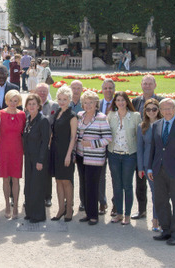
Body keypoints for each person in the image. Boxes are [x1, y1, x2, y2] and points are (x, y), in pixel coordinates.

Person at [148, 98, 175, 246]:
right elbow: (153, 149)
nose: (167, 111)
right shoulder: (156, 125)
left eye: (170, 108)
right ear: (160, 111)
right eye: (164, 109)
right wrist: (150, 167)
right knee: (161, 201)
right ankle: (166, 230)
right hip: (158, 170)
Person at [76, 91, 112, 225]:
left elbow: (108, 138)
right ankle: (87, 212)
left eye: (91, 102)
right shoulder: (80, 116)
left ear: (96, 104)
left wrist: (92, 144)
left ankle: (94, 215)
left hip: (95, 158)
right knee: (84, 185)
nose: (88, 105)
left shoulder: (101, 118)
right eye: (85, 102)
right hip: (81, 156)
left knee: (92, 186)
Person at [131, 74, 164, 220]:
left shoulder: (162, 101)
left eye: (150, 84)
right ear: (141, 85)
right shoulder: (136, 101)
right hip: (141, 147)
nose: (147, 86)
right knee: (140, 183)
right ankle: (142, 210)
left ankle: (158, 216)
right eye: (145, 83)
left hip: (157, 154)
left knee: (158, 187)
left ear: (155, 85)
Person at [107, 92, 141, 225]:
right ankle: (119, 213)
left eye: (123, 100)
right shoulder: (111, 116)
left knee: (127, 185)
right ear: (115, 102)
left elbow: (139, 137)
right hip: (114, 154)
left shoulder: (135, 116)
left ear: (127, 102)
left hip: (129, 155)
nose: (120, 103)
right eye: (118, 100)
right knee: (116, 185)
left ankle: (127, 214)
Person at [50, 86, 78, 222]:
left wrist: (69, 155)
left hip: (66, 151)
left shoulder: (72, 116)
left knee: (66, 181)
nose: (62, 102)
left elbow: (73, 137)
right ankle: (61, 208)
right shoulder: (57, 113)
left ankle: (69, 209)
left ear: (69, 100)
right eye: (60, 99)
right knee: (58, 181)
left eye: (65, 99)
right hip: (55, 151)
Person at [22, 94, 50, 223]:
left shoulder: (43, 120)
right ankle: (30, 212)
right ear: (26, 106)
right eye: (29, 104)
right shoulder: (28, 119)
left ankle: (38, 215)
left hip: (39, 158)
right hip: (28, 158)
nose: (31, 106)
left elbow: (45, 142)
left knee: (37, 186)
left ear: (39, 106)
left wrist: (40, 160)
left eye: (34, 104)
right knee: (29, 186)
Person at [0, 90, 26, 219]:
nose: (13, 103)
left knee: (16, 179)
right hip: (4, 149)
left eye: (16, 101)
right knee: (5, 179)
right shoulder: (0, 114)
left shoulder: (22, 115)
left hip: (17, 150)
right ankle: (7, 206)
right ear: (6, 100)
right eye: (11, 100)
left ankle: (15, 206)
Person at [137, 99, 163, 232]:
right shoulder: (142, 126)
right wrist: (140, 167)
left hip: (162, 164)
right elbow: (139, 149)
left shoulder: (164, 124)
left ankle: (161, 219)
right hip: (148, 164)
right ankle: (155, 220)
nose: (151, 112)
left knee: (162, 193)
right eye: (148, 109)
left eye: (154, 109)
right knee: (155, 192)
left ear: (158, 110)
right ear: (145, 111)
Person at [99, 79, 115, 216]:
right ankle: (102, 202)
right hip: (100, 145)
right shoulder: (97, 104)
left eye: (110, 88)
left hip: (116, 145)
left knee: (116, 176)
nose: (108, 90)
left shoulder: (120, 103)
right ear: (102, 90)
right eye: (106, 88)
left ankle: (116, 204)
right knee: (100, 175)